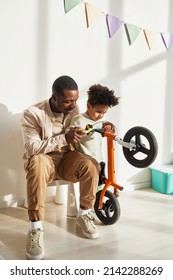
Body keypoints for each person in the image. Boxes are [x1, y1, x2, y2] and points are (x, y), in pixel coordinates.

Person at [21, 75, 102, 260]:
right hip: (43, 159)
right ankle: (35, 228)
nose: (73, 105)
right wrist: (64, 138)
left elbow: (83, 131)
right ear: (54, 97)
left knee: (91, 164)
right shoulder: (32, 113)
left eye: (75, 100)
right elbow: (31, 148)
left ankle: (84, 214)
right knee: (37, 163)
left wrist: (100, 127)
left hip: (66, 157)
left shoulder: (75, 108)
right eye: (67, 101)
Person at [68, 84, 119, 164]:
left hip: (99, 161)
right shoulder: (78, 119)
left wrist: (108, 129)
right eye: (98, 112)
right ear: (88, 106)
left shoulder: (98, 122)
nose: (101, 116)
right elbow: (69, 137)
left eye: (104, 113)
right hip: (84, 163)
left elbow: (102, 133)